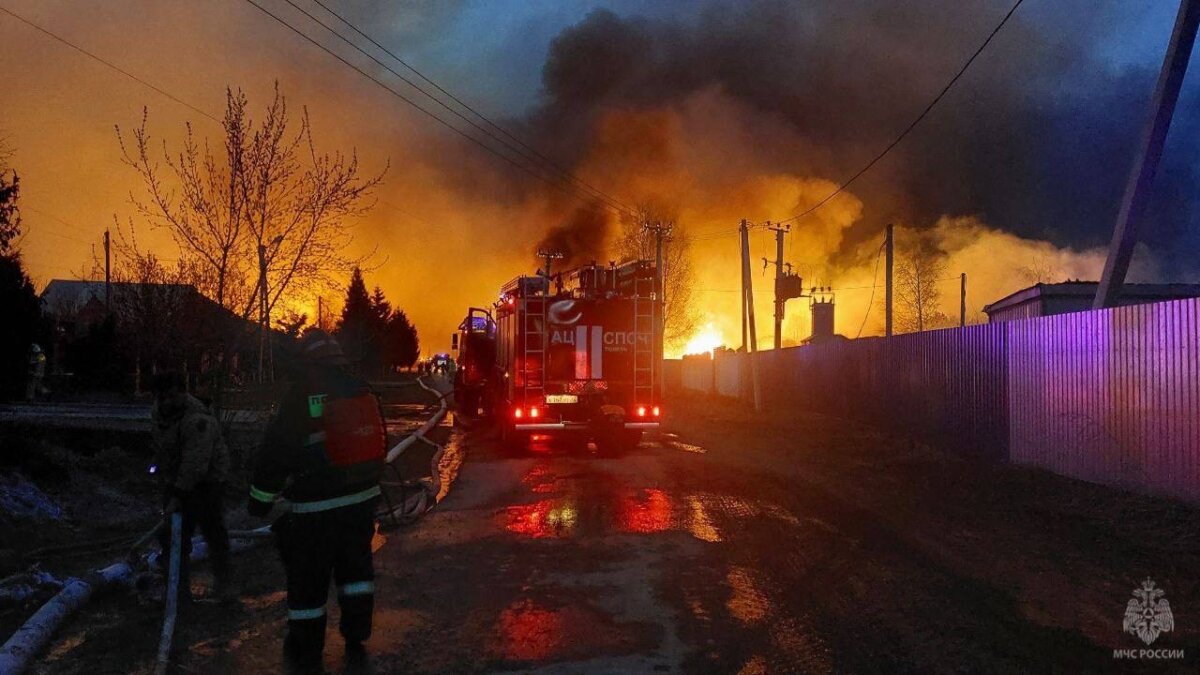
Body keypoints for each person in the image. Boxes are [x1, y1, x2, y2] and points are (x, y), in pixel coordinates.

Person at [248, 329, 387, 670]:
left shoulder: (301, 396)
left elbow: (275, 453)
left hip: (315, 511)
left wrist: (259, 501)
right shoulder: (361, 388)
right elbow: (380, 439)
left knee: (308, 581)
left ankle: (306, 648)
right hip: (361, 503)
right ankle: (357, 632)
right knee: (357, 571)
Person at [151, 370, 233, 601]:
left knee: (213, 530)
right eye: (162, 397)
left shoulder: (197, 420)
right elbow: (163, 450)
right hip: (176, 480)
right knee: (171, 536)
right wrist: (167, 485)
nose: (167, 402)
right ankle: (177, 589)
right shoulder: (158, 414)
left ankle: (224, 584)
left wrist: (178, 494)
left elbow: (196, 462)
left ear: (183, 393)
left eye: (172, 396)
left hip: (208, 481)